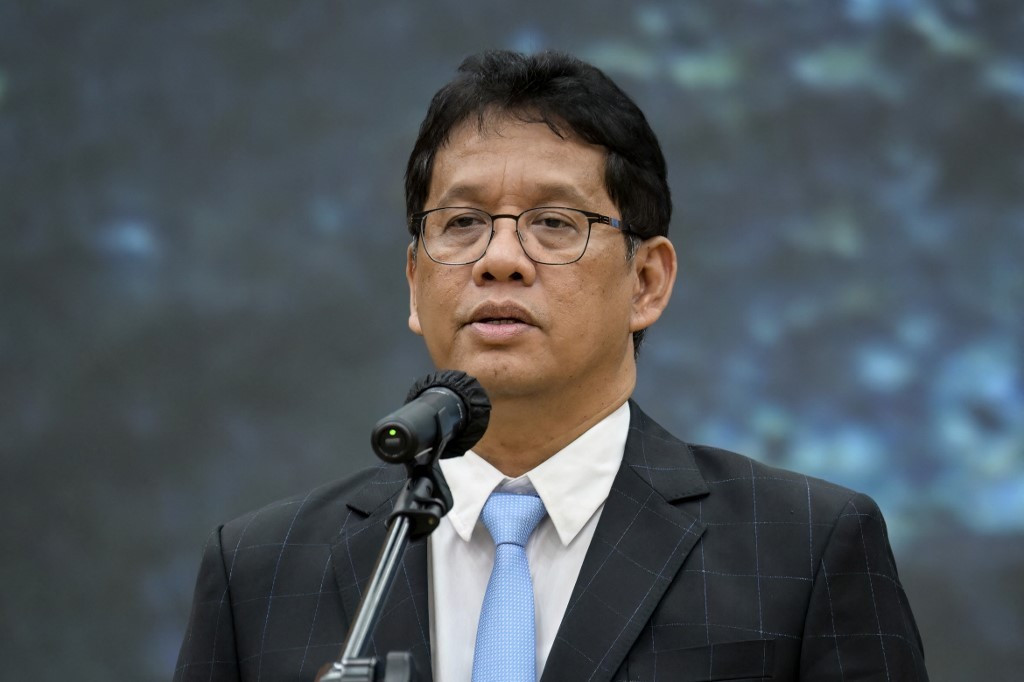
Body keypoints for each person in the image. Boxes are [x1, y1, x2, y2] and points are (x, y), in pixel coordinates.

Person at [174, 50, 929, 681]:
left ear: (647, 282)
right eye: (462, 223)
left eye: (554, 223)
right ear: (414, 281)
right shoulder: (263, 572)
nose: (500, 259)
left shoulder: (804, 549)